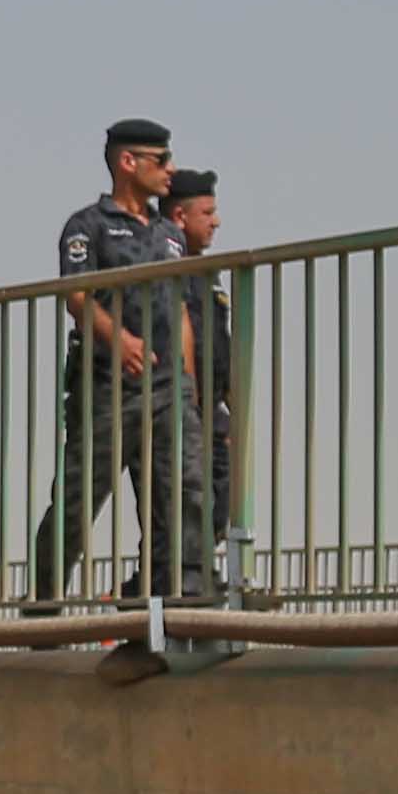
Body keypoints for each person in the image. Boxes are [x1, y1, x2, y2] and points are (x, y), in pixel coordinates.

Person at [29, 119, 187, 610]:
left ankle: (158, 611)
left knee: (177, 507)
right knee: (76, 505)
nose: (171, 170)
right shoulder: (89, 226)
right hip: (107, 388)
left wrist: (192, 385)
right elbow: (75, 296)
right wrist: (119, 340)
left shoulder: (169, 234)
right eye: (160, 160)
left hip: (168, 392)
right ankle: (43, 606)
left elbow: (180, 309)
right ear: (128, 162)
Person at [164, 170, 242, 598]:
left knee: (222, 490)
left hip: (211, 406)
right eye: (207, 213)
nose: (216, 222)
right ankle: (179, 579)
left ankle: (196, 574)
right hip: (181, 402)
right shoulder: (168, 271)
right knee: (185, 497)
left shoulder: (207, 275)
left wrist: (232, 404)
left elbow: (219, 342)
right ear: (180, 215)